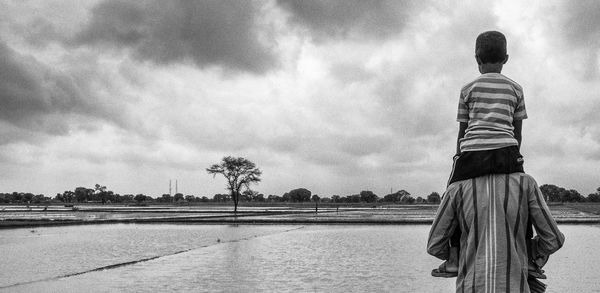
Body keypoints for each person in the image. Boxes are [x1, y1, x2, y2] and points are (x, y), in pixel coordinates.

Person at [432, 30, 528, 278]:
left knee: (452, 200)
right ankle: (529, 256)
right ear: (506, 58)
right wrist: (514, 156)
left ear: (477, 58)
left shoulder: (467, 90)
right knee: (525, 199)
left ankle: (453, 257)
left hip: (472, 152)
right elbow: (517, 132)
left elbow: (462, 132)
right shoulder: (516, 89)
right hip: (507, 150)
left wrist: (458, 160)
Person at [427, 173, 564, 292]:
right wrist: (527, 252)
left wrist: (460, 255)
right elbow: (553, 240)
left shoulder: (456, 188)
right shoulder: (525, 183)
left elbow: (435, 246)